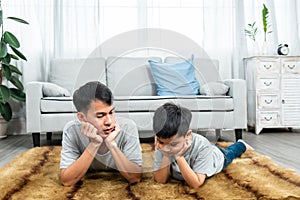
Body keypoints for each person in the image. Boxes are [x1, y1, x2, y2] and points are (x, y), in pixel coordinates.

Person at [60, 81, 143, 186]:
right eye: (100, 115)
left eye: (111, 112)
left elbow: (135, 178)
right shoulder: (72, 130)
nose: (109, 121)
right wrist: (94, 144)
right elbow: (67, 180)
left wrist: (112, 145)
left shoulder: (128, 127)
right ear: (82, 117)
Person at [153, 102, 253, 189]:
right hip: (199, 157)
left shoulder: (202, 146)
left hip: (216, 157)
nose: (166, 148)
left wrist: (179, 156)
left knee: (230, 153)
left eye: (173, 144)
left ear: (187, 135)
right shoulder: (163, 145)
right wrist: (166, 155)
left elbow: (196, 183)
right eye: (161, 142)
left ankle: (241, 144)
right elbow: (160, 180)